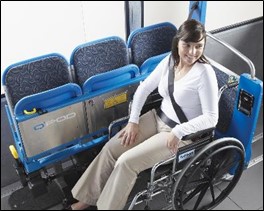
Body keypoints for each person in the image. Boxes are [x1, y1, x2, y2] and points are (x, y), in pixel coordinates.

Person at [65, 19, 219, 210]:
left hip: (180, 134)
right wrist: (133, 120)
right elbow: (144, 88)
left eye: (198, 46)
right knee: (111, 149)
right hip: (157, 118)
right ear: (178, 42)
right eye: (187, 45)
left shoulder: (205, 73)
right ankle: (85, 200)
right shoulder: (170, 60)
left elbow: (212, 118)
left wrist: (179, 131)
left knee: (126, 162)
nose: (192, 52)